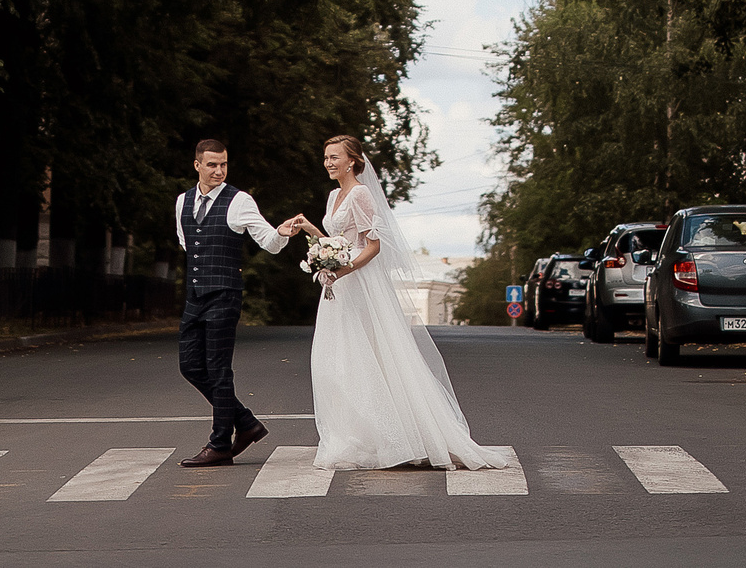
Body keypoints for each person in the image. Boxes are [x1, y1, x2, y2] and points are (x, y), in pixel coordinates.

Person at [279, 135, 517, 472]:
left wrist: (342, 270)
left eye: (335, 157)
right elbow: (338, 241)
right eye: (326, 157)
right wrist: (312, 233)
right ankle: (357, 435)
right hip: (338, 287)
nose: (328, 163)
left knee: (367, 354)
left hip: (359, 284)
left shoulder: (360, 194)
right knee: (336, 359)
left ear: (352, 161)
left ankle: (397, 436)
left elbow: (372, 246)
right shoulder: (334, 195)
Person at [173, 138, 292, 467]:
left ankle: (220, 443)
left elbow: (268, 241)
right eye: (212, 165)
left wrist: (280, 233)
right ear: (197, 165)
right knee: (189, 366)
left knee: (218, 369)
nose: (219, 171)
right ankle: (247, 422)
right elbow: (188, 244)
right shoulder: (182, 201)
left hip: (225, 294)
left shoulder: (239, 201)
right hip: (195, 295)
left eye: (223, 164)